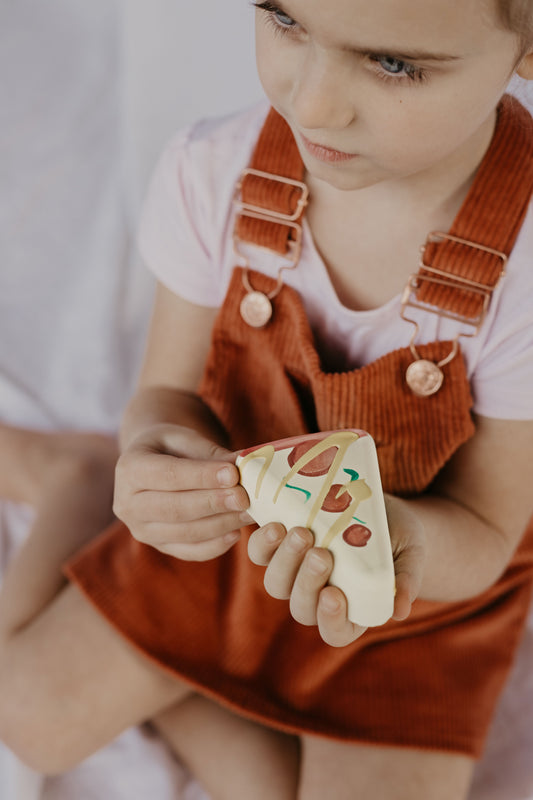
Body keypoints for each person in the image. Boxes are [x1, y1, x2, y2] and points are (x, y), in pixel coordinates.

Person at [1, 1, 532, 799]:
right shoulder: (216, 172)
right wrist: (154, 450)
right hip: (224, 541)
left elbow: (487, 530)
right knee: (31, 718)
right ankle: (72, 474)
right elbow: (165, 396)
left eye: (392, 64)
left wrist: (401, 542)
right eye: (285, 21)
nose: (311, 104)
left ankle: (201, 693)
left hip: (411, 596)